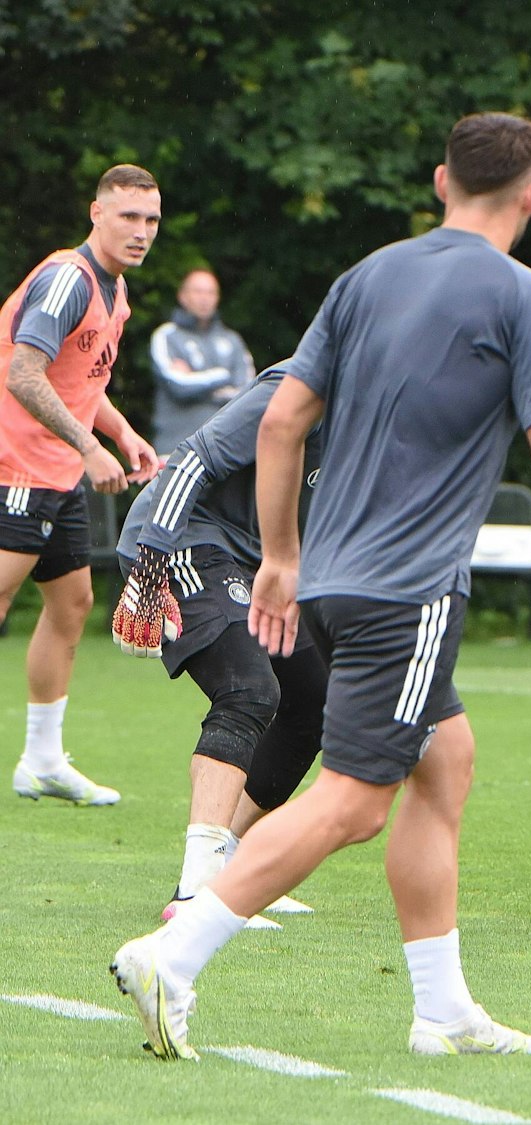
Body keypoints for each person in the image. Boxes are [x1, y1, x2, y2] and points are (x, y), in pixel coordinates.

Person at [111, 112, 531, 1062]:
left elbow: (279, 422)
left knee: (447, 759)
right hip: (411, 589)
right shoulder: (522, 296)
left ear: (440, 181)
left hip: (330, 583)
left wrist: (279, 556)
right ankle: (174, 951)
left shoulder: (367, 275)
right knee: (353, 800)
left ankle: (441, 1009)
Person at [113, 362, 327, 928]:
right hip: (184, 538)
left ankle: (231, 871)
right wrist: (153, 554)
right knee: (248, 689)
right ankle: (196, 891)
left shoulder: (384, 416)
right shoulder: (296, 389)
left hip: (259, 563)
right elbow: (195, 458)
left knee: (316, 699)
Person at [3, 163, 165, 807]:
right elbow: (23, 374)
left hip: (56, 471)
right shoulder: (68, 281)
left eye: (151, 219)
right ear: (95, 213)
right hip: (16, 467)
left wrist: (121, 433)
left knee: (70, 606)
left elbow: (81, 383)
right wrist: (89, 446)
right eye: (128, 216)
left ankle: (41, 761)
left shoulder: (114, 290)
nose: (142, 230)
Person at [149, 269, 255, 451]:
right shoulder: (167, 336)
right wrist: (223, 376)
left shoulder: (233, 340)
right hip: (174, 449)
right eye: (198, 292)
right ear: (182, 296)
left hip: (222, 451)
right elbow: (178, 386)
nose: (204, 298)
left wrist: (197, 381)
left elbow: (247, 393)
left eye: (210, 292)